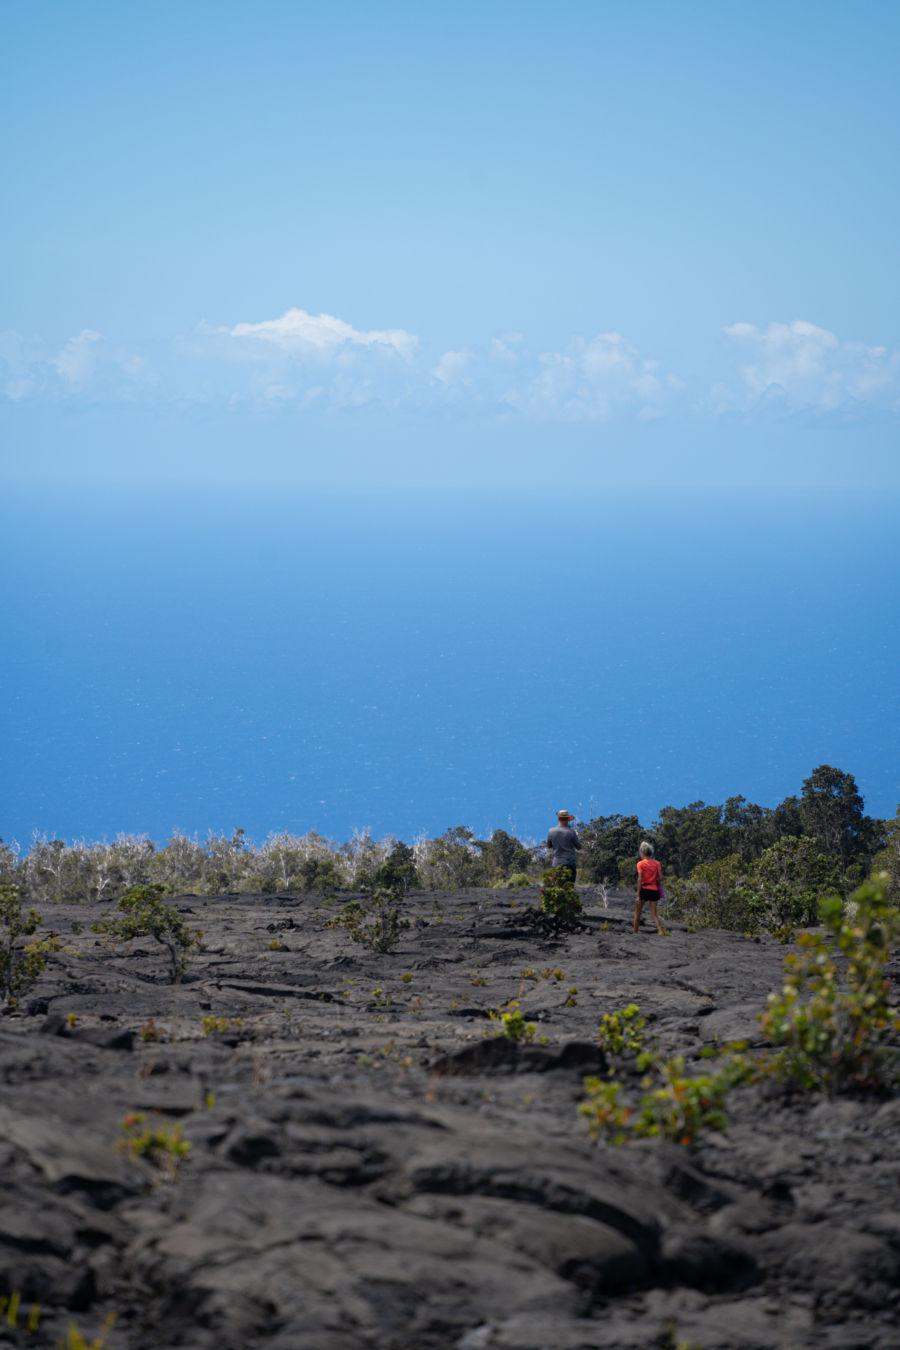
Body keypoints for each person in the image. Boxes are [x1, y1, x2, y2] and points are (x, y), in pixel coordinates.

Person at [634, 840, 664, 934]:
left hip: (644, 889)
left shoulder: (640, 864)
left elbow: (640, 879)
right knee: (654, 913)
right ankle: (660, 931)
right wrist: (655, 881)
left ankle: (635, 932)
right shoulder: (657, 863)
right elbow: (661, 877)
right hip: (654, 890)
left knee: (638, 913)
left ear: (642, 853)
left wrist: (638, 895)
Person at [546, 809, 581, 884]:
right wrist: (576, 836)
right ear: (568, 819)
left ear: (558, 818)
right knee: (569, 886)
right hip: (570, 864)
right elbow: (579, 846)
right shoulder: (571, 832)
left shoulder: (551, 831)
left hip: (557, 863)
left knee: (557, 886)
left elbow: (549, 846)